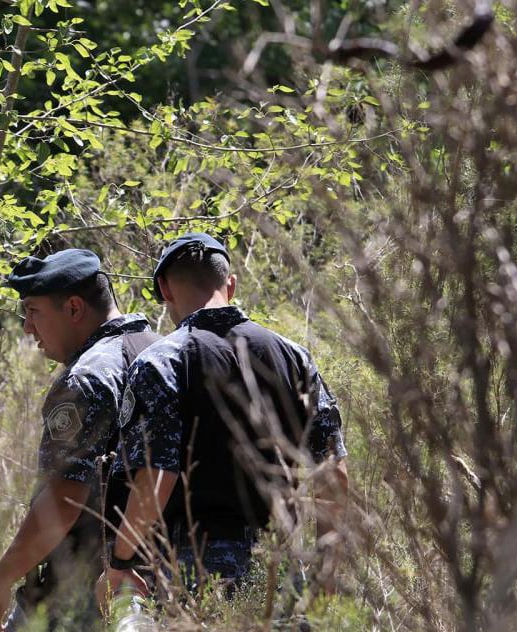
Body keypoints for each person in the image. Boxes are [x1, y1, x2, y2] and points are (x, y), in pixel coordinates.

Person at [96, 233, 348, 605]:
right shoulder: (294, 357)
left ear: (165, 289)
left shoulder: (161, 363)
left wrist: (121, 561)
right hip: (279, 574)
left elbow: (158, 475)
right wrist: (326, 572)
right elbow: (333, 473)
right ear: (230, 284)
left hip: (194, 577)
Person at [0, 248, 157, 632]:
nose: (28, 327)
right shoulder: (161, 350)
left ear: (74, 308)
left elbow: (64, 497)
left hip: (86, 591)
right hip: (160, 580)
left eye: (34, 312)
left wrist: (0, 580)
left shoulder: (87, 378)